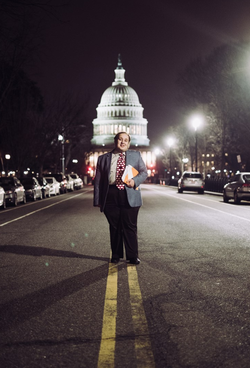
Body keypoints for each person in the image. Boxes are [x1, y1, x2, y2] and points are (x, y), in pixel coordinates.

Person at [94, 132, 148, 264]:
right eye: (120, 139)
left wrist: (134, 181)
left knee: (130, 226)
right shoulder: (103, 158)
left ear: (129, 143)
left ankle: (132, 256)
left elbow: (144, 172)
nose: (123, 142)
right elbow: (98, 181)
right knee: (114, 226)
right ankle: (116, 255)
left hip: (129, 192)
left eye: (126, 140)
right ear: (115, 141)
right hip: (111, 194)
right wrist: (98, 200)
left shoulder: (136, 155)